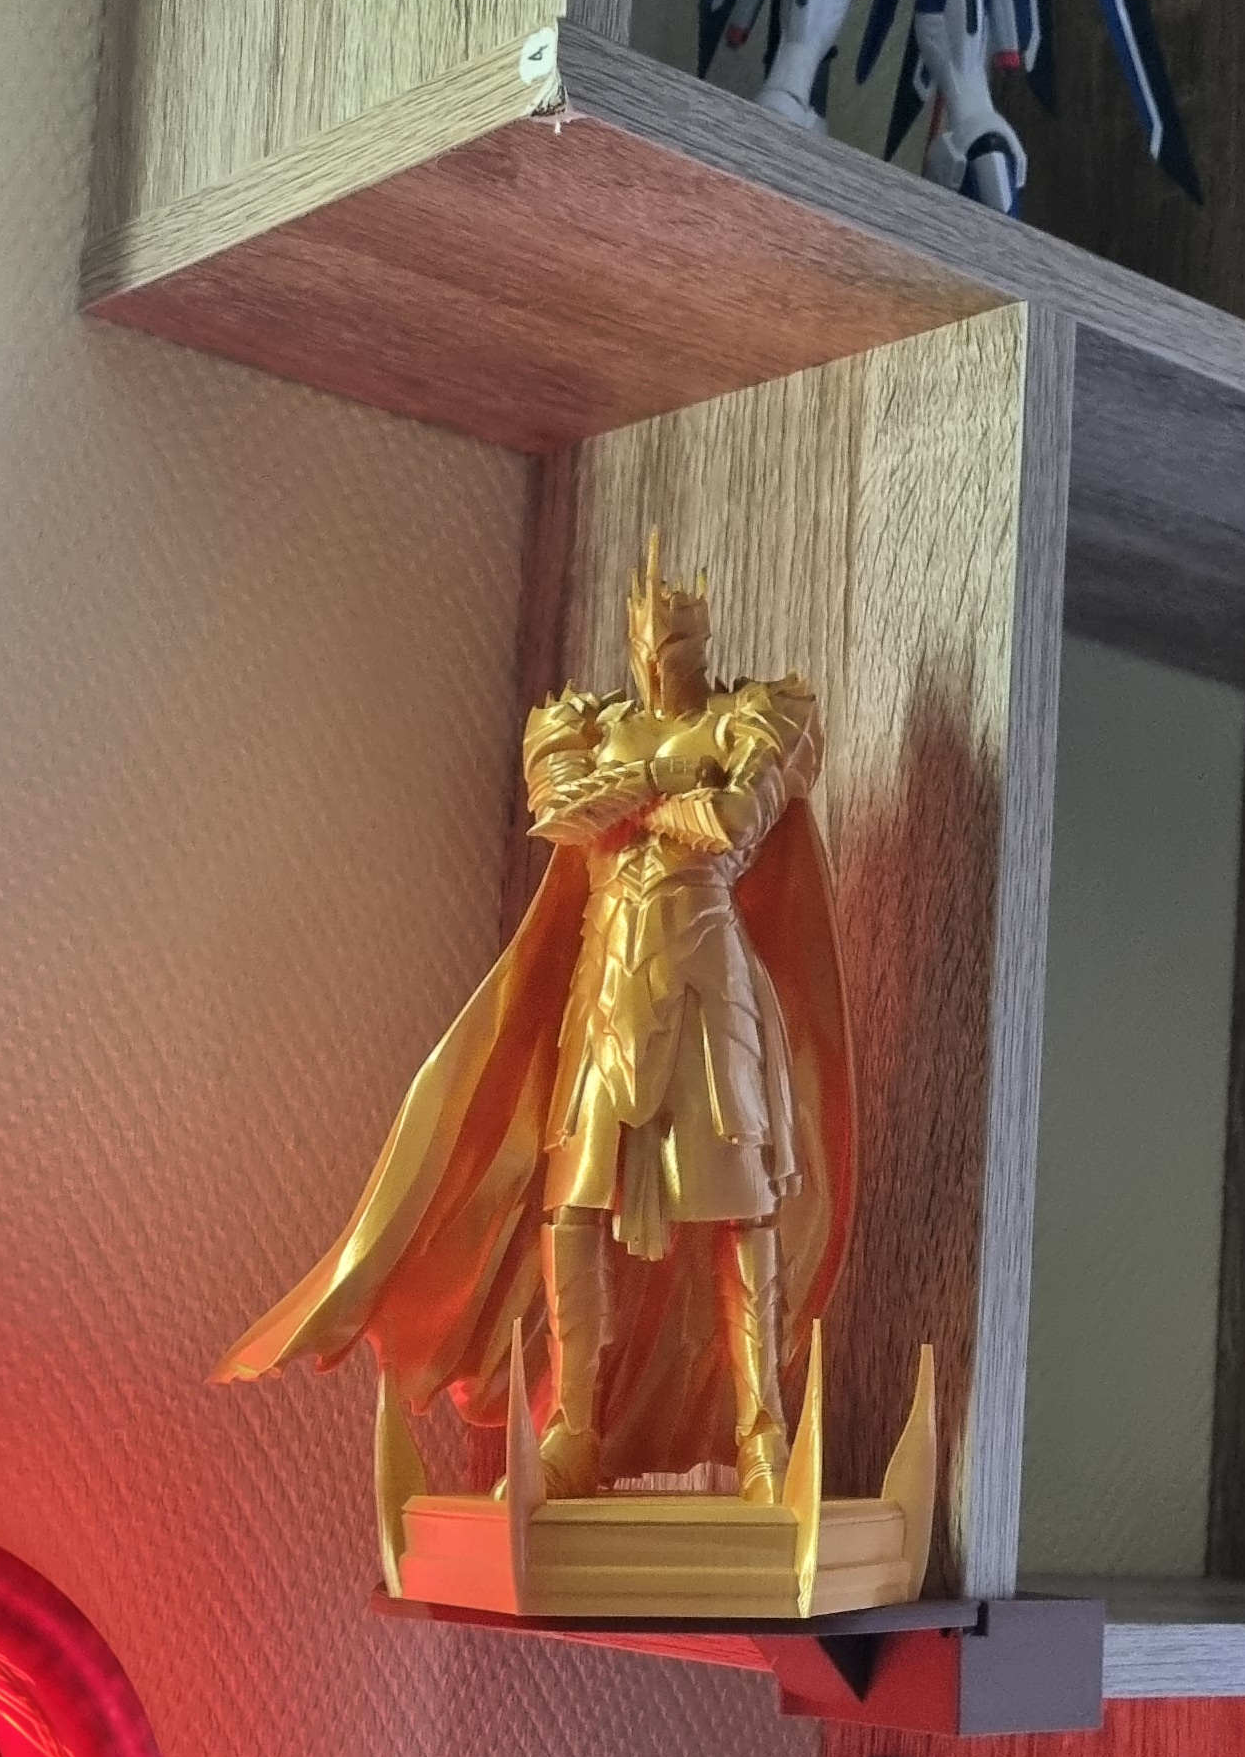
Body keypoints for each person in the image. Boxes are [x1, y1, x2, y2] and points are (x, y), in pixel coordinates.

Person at [218, 541, 855, 1500]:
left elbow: (736, 822)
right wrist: (672, 785)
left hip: (708, 974)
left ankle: (762, 1432)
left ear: (703, 631)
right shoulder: (582, 722)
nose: (661, 649)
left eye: (679, 633)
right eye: (650, 630)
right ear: (632, 628)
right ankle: (576, 1428)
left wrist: (637, 801)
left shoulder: (756, 712)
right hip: (606, 985)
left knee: (742, 1206)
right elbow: (561, 813)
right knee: (575, 1203)